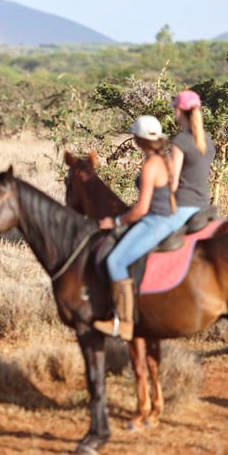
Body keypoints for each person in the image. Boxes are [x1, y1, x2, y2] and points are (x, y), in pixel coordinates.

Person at [95, 115, 177, 341]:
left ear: (139, 140)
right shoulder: (164, 159)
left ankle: (124, 322)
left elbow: (141, 209)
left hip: (156, 221)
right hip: (165, 218)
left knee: (115, 261)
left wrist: (116, 222)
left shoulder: (151, 164)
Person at [168, 90, 215, 230]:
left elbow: (172, 183)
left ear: (179, 111)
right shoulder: (208, 141)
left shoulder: (180, 141)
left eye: (175, 110)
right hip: (204, 205)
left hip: (183, 205)